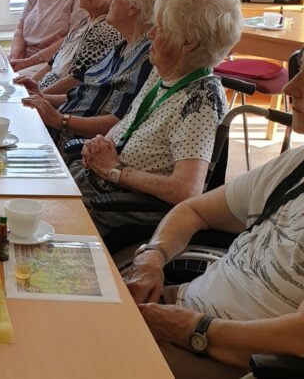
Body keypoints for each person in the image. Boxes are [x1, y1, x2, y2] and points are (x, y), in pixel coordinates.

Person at [122, 52, 304, 379]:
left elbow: (298, 338)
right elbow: (194, 210)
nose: (291, 86)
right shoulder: (295, 164)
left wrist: (195, 329)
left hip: (230, 360)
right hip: (180, 315)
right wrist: (151, 257)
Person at [71, 0, 240, 238]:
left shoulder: (201, 100)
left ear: (188, 43)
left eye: (160, 28)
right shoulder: (163, 73)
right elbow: (129, 126)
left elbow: (186, 190)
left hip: (118, 209)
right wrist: (99, 144)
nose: (150, 34)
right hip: (94, 185)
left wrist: (116, 171)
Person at [21, 0, 171, 152]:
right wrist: (43, 97)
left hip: (73, 146)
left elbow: (118, 121)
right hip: (57, 129)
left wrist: (60, 120)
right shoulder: (122, 45)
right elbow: (87, 94)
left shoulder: (147, 57)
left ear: (133, 6)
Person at [15, 0, 126, 93]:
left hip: (57, 103)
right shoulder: (84, 23)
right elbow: (51, 63)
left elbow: (76, 80)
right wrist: (30, 85)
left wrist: (37, 96)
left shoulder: (106, 29)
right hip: (43, 91)